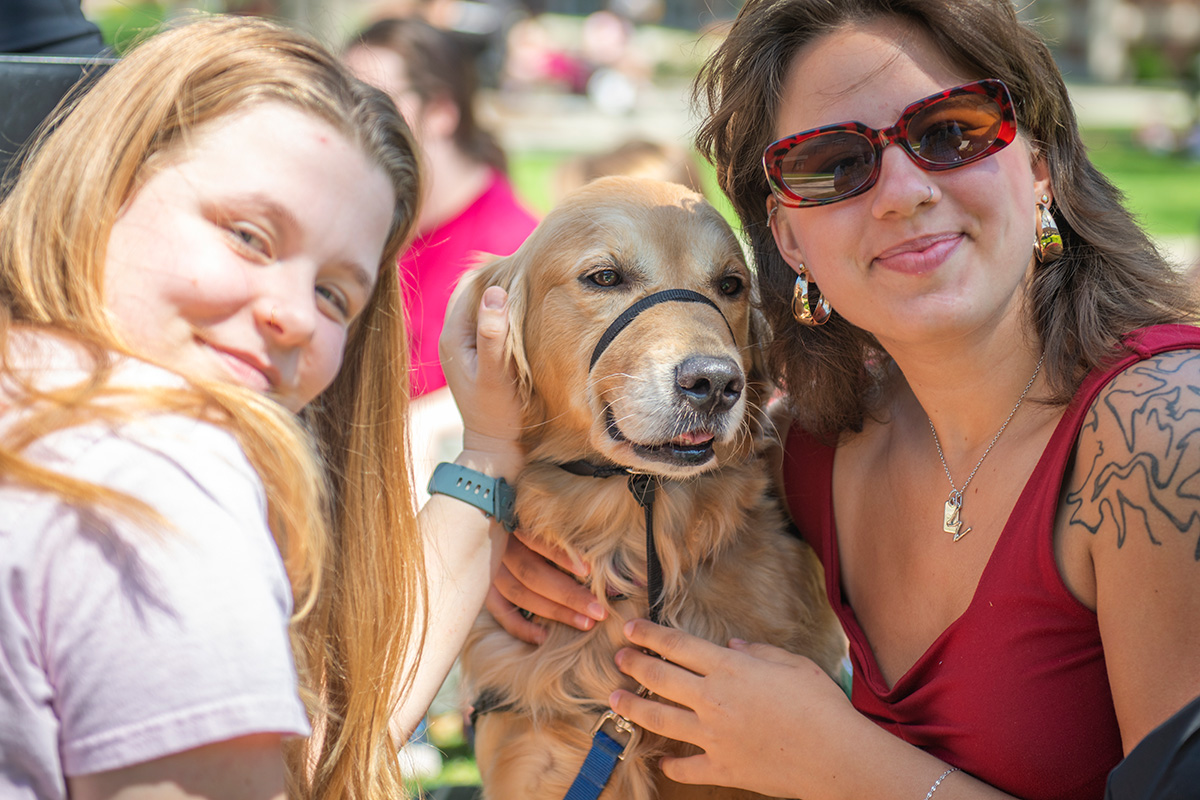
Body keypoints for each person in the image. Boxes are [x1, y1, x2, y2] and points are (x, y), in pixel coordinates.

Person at [472, 1, 1200, 798]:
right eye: (830, 161)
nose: (902, 192)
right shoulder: (812, 449)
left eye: (953, 129)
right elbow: (638, 496)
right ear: (788, 238)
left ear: (1038, 164)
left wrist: (837, 761)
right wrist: (519, 537)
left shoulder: (1163, 430)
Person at [0, 15, 522, 800]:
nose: (294, 315)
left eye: (334, 294)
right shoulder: (163, 478)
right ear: (109, 180)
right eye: (247, 235)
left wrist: (487, 454)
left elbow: (315, 746)